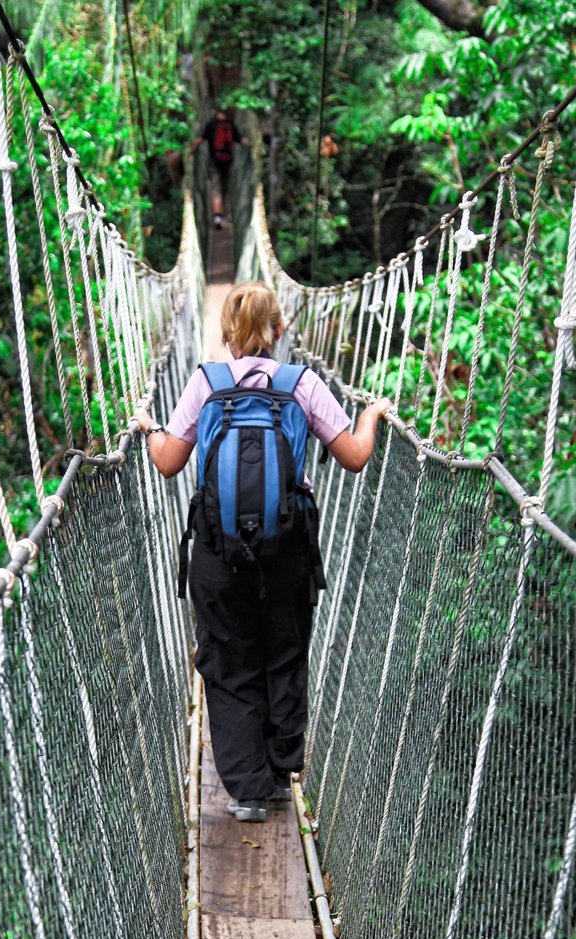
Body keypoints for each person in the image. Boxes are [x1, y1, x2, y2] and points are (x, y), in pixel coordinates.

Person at [136, 280, 389, 822]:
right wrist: (370, 415)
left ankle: (247, 791)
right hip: (288, 548)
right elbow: (354, 455)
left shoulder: (206, 382)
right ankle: (278, 771)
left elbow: (168, 461)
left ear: (227, 334)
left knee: (228, 658)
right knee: (284, 648)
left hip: (217, 547)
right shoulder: (302, 384)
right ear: (281, 330)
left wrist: (149, 427)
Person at [192, 108, 249, 228]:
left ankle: (217, 217)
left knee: (216, 189)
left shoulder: (211, 124)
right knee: (225, 190)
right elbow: (242, 141)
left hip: (214, 161)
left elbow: (200, 140)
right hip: (228, 162)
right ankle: (225, 218)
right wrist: (253, 145)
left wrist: (190, 150)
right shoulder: (230, 125)